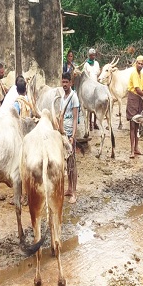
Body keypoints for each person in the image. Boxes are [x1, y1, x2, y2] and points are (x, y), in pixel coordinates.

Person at [60, 72, 80, 204]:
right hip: (63, 134)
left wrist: (72, 135)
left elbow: (75, 119)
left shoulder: (74, 97)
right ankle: (69, 188)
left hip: (70, 134)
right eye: (63, 82)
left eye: (67, 82)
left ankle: (74, 192)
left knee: (72, 163)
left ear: (71, 83)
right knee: (67, 163)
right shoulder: (63, 97)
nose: (65, 84)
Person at [126, 55, 143, 158]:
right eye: (139, 63)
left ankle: (136, 148)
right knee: (132, 126)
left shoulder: (141, 75)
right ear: (135, 63)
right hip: (133, 99)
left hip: (139, 100)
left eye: (142, 64)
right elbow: (137, 90)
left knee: (137, 126)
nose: (140, 65)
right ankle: (132, 150)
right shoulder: (134, 74)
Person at [83, 48, 100, 129]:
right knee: (90, 107)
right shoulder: (86, 64)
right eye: (92, 55)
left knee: (96, 105)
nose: (93, 56)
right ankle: (90, 124)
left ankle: (95, 123)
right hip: (89, 87)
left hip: (96, 86)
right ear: (89, 56)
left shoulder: (96, 63)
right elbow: (84, 75)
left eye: (94, 55)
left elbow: (98, 73)